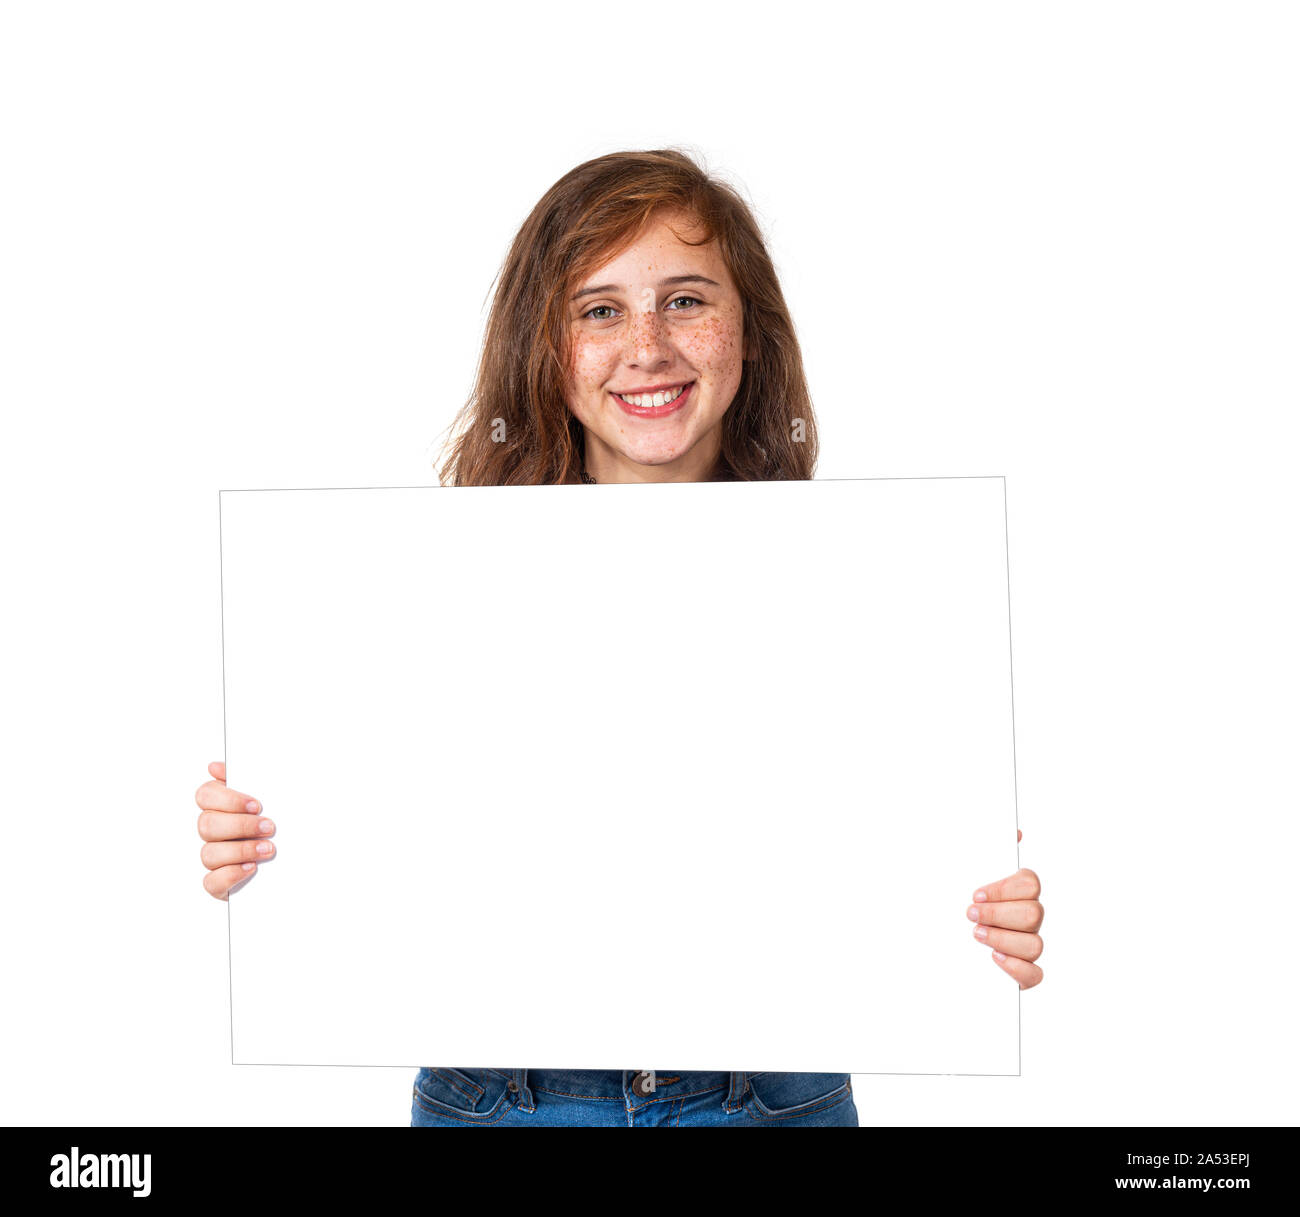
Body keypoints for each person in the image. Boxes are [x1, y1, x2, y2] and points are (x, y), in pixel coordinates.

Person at [194, 149, 1046, 1127]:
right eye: (598, 309)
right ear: (545, 347)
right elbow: (374, 829)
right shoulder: (415, 595)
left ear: (747, 335)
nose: (646, 343)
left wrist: (977, 905)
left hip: (771, 1098)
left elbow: (886, 848)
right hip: (502, 1100)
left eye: (685, 299)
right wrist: (262, 837)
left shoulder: (868, 598)